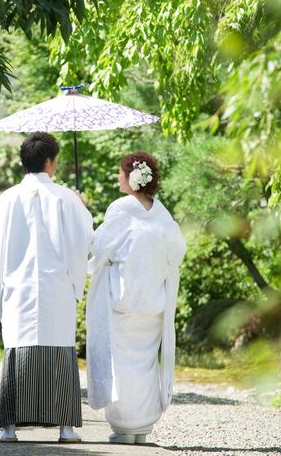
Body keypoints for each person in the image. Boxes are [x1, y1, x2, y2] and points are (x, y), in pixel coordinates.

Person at [0, 132, 93, 443]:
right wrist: (82, 208)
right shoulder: (66, 197)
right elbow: (85, 240)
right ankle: (66, 429)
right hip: (57, 287)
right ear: (51, 162)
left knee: (17, 351)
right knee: (60, 351)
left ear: (23, 162)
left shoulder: (7, 198)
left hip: (17, 288)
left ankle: (8, 428)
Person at [86, 151, 186, 444]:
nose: (117, 177)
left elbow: (99, 247)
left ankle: (125, 427)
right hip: (153, 300)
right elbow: (177, 251)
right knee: (144, 364)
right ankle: (141, 427)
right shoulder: (161, 212)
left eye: (120, 172)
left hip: (124, 299)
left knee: (122, 364)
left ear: (131, 177)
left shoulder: (121, 208)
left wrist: (83, 216)